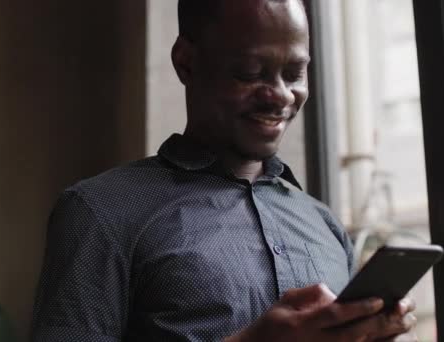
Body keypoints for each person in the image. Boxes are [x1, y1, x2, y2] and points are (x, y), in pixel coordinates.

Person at [31, 0, 417, 341]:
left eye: (295, 73)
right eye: (250, 73)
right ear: (186, 62)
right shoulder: (101, 213)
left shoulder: (323, 224)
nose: (281, 95)